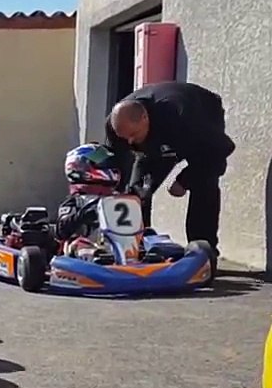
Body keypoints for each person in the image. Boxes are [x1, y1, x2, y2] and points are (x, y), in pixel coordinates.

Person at [103, 80, 234, 254]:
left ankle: (204, 250)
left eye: (133, 135)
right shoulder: (116, 127)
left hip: (200, 118)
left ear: (145, 118)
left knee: (204, 182)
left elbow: (223, 148)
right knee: (135, 192)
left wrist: (185, 179)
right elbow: (117, 167)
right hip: (155, 144)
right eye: (125, 137)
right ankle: (134, 247)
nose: (130, 142)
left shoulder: (183, 115)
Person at [54, 143, 121, 257]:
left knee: (149, 236)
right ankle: (98, 256)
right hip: (86, 245)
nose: (107, 166)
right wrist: (83, 215)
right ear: (80, 167)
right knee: (80, 245)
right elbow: (62, 231)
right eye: (101, 162)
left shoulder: (118, 198)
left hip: (119, 244)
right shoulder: (76, 201)